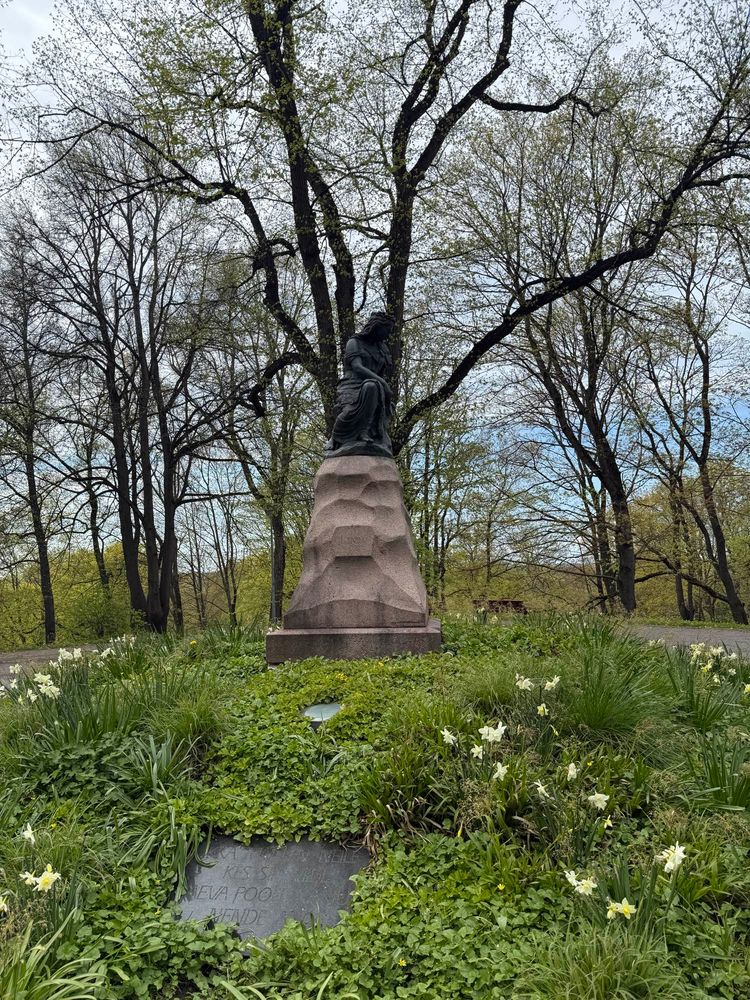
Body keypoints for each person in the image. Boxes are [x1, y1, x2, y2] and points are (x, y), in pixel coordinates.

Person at [325, 312, 395, 457]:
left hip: (375, 386)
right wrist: (382, 383)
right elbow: (357, 367)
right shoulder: (355, 343)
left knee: (372, 387)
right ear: (376, 327)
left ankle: (365, 431)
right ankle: (336, 437)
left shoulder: (383, 349)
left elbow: (382, 374)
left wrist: (384, 391)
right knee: (352, 408)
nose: (387, 335)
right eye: (386, 330)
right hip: (352, 384)